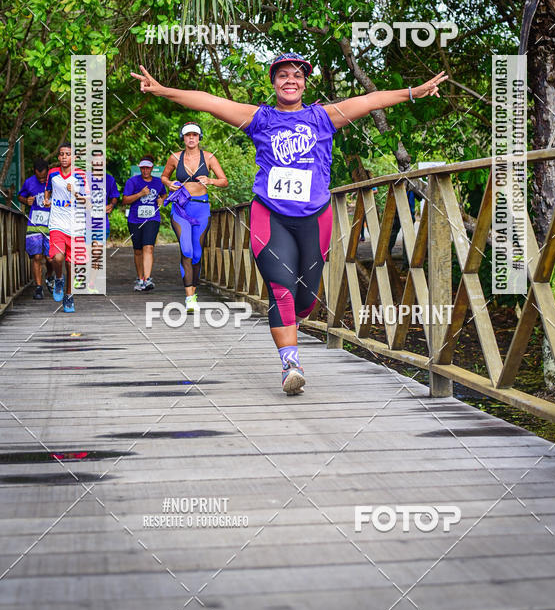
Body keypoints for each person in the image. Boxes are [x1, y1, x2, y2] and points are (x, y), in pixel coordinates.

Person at [132, 54, 447, 394]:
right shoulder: (260, 118)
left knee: (306, 299)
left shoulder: (323, 117)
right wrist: (163, 91)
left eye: (297, 76)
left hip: (315, 217)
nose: (290, 81)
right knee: (281, 288)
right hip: (270, 214)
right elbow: (210, 102)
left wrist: (414, 91)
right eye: (282, 75)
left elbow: (370, 100)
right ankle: (290, 364)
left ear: (305, 83)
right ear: (274, 83)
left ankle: (291, 324)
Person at [161, 122, 228, 312]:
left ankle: (194, 291)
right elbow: (164, 177)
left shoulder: (209, 157)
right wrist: (170, 183)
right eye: (188, 135)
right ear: (183, 138)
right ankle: (189, 297)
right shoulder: (174, 157)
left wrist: (211, 180)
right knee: (187, 250)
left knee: (197, 253)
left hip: (201, 208)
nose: (191, 138)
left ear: (199, 138)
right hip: (181, 208)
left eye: (195, 135)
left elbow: (224, 181)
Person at [44, 144, 88, 314]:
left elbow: (88, 201)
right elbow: (48, 191)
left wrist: (76, 193)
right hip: (57, 223)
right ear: (58, 157)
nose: (64, 157)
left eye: (68, 154)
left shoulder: (81, 175)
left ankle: (69, 295)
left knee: (72, 264)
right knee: (57, 257)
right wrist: (47, 200)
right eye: (61, 154)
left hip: (76, 226)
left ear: (74, 158)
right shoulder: (52, 173)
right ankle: (59, 279)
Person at [122, 156, 166, 291]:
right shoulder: (132, 181)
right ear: (140, 168)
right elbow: (125, 200)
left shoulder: (158, 182)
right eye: (143, 168)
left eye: (148, 168)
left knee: (149, 247)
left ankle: (147, 279)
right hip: (135, 219)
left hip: (152, 218)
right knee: (138, 250)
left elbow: (163, 195)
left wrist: (161, 200)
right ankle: (140, 278)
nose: (145, 170)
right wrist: (140, 194)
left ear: (152, 168)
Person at [17, 157, 53, 298]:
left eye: (44, 177)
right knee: (37, 256)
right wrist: (26, 200)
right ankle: (38, 288)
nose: (42, 180)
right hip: (35, 225)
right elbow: (20, 196)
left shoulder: (54, 181)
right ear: (34, 172)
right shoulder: (29, 182)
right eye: (39, 177)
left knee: (50, 258)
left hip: (51, 224)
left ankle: (49, 276)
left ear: (48, 172)